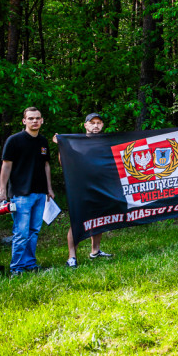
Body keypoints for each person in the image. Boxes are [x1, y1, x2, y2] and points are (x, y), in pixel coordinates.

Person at [0, 107, 54, 275]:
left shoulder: (43, 141)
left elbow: (46, 165)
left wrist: (49, 188)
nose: (34, 121)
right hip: (21, 194)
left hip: (40, 193)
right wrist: (2, 190)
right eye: (30, 118)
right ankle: (17, 268)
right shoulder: (14, 140)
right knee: (21, 232)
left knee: (34, 231)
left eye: (37, 118)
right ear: (24, 121)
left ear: (42, 120)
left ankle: (30, 264)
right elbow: (6, 166)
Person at [56, 113, 114, 268]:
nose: (96, 126)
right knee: (77, 221)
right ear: (85, 125)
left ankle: (95, 251)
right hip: (81, 189)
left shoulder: (106, 142)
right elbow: (64, 164)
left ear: (102, 125)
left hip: (101, 187)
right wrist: (61, 146)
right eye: (92, 123)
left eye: (99, 123)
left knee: (99, 219)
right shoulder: (76, 142)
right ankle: (72, 257)